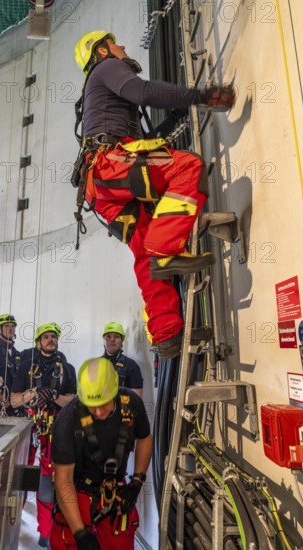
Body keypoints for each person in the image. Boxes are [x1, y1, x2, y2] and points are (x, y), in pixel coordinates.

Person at [73, 30, 235, 359]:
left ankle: (167, 335)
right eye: (116, 43)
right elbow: (142, 91)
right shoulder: (105, 68)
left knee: (145, 252)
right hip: (111, 166)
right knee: (187, 167)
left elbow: (137, 129)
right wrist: (199, 96)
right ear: (102, 50)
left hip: (101, 190)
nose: (124, 46)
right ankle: (167, 248)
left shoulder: (98, 92)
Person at [50, 357, 152, 550]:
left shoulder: (131, 404)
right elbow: (64, 479)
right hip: (77, 492)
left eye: (103, 404)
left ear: (115, 392)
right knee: (65, 542)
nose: (97, 411)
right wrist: (79, 533)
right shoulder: (68, 419)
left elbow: (145, 438)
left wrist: (137, 481)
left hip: (115, 492)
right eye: (91, 405)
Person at [11, 323, 76, 549]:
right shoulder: (27, 365)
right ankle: (11, 524)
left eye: (54, 337)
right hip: (28, 429)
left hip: (53, 431)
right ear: (38, 342)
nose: (51, 340)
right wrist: (34, 393)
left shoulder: (67, 368)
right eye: (46, 337)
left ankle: (46, 530)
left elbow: (73, 400)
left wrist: (55, 396)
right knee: (18, 477)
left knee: (48, 482)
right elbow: (13, 400)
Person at [0, 313, 21, 415]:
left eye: (12, 326)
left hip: (16, 407)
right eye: (6, 326)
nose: (10, 329)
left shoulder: (18, 355)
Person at [102, 322, 143, 397]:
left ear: (122, 342)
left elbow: (137, 398)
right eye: (108, 336)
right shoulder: (94, 365)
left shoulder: (132, 366)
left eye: (117, 336)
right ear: (104, 341)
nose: (112, 339)